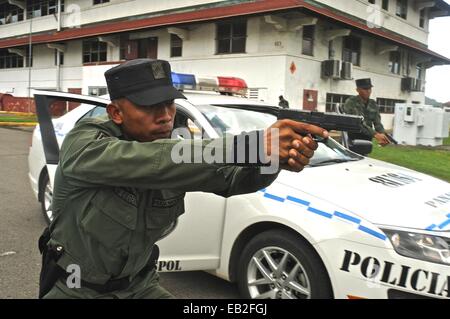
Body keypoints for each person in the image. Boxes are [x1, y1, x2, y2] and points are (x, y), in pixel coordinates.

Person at [38, 59, 328, 299]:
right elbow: (158, 161)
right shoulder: (85, 142)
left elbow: (233, 180)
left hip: (139, 286)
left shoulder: (177, 145)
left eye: (169, 104)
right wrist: (251, 145)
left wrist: (272, 158)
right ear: (115, 112)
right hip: (75, 288)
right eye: (149, 106)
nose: (165, 116)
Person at [343, 78, 390, 146]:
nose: (368, 91)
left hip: (367, 138)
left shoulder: (373, 104)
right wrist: (376, 134)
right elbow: (358, 123)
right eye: (365, 89)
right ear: (358, 90)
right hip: (352, 138)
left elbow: (377, 123)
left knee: (364, 155)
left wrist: (382, 134)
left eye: (369, 89)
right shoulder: (351, 102)